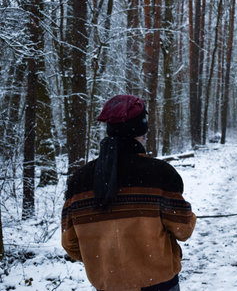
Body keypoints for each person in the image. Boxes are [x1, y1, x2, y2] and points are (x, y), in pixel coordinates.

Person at [61, 95, 196, 291]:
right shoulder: (160, 174)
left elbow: (70, 243)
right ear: (142, 130)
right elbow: (183, 229)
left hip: (107, 286)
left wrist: (107, 259)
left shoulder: (78, 182)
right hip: (159, 285)